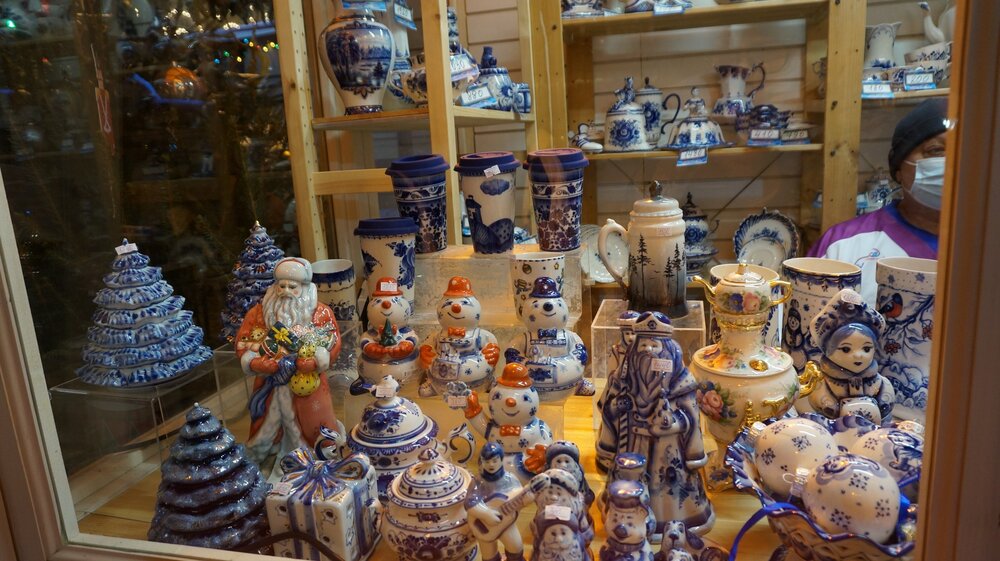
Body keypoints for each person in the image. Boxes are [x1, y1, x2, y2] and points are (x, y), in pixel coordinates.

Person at [808, 99, 946, 303]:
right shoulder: (842, 246)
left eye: (966, 149)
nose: (953, 161)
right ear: (899, 169)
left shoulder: (989, 246)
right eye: (935, 150)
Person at [234, 257, 342, 470]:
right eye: (281, 286)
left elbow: (333, 341)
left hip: (307, 383)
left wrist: (315, 361)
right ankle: (268, 451)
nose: (285, 291)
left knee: (312, 422)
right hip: (269, 383)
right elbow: (243, 340)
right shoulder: (259, 313)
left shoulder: (320, 312)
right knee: (267, 419)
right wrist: (254, 363)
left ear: (304, 288)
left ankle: (316, 454)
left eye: (292, 287)